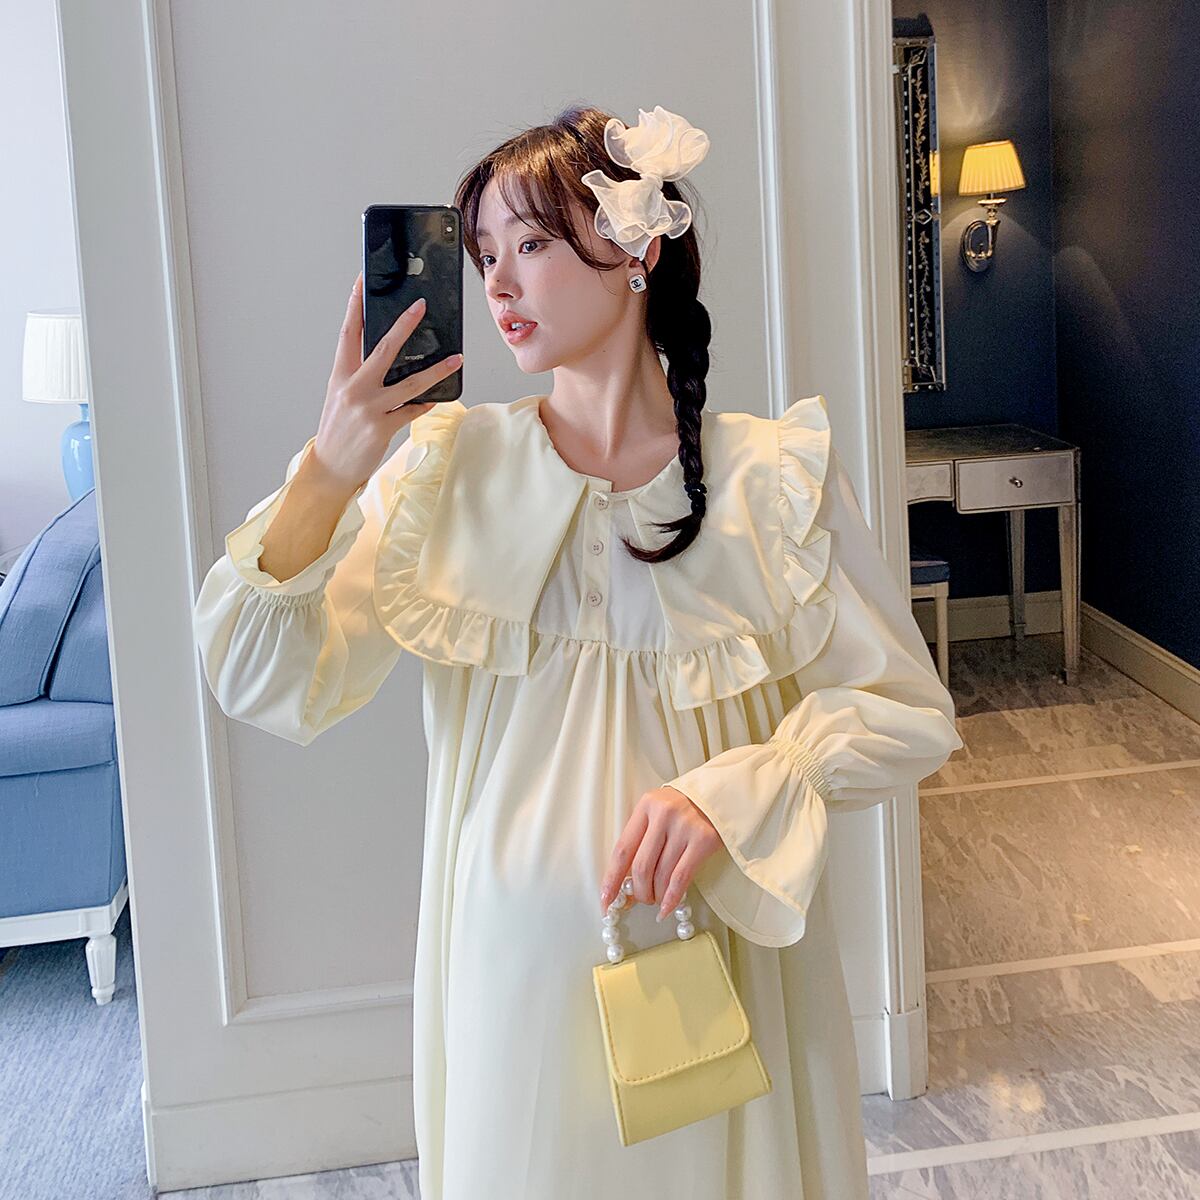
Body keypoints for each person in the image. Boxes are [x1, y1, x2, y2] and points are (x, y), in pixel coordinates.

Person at [192, 103, 964, 1200]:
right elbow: (259, 677)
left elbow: (903, 707)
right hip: (511, 985)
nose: (498, 284)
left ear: (637, 248)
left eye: (533, 244)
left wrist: (739, 793)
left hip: (725, 966)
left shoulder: (769, 480)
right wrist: (331, 470)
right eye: (483, 255)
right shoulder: (445, 473)